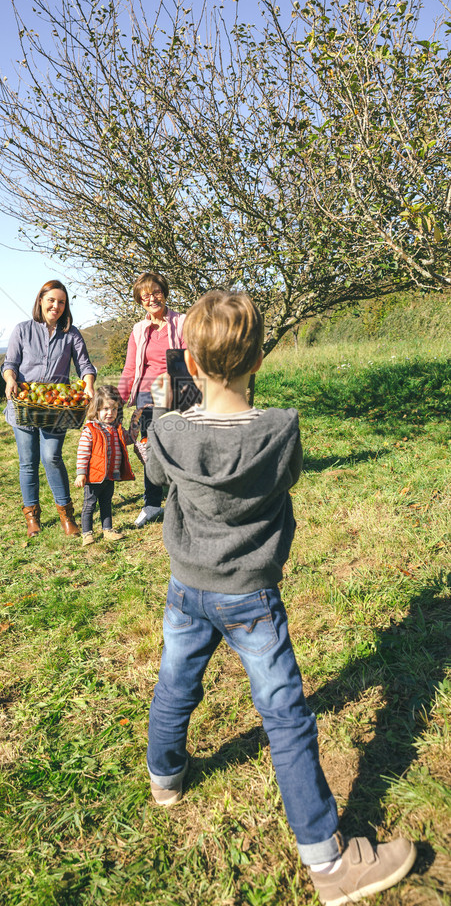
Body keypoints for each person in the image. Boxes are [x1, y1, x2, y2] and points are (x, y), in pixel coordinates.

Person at [144, 290, 417, 905]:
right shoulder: (280, 430)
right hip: (252, 598)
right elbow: (286, 478)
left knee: (175, 683)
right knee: (285, 717)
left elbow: (158, 480)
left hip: (186, 588)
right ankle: (329, 864)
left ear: (189, 361)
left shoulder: (167, 432)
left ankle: (165, 778)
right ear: (258, 358)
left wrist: (167, 419)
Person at [2, 280, 96, 538]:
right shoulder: (22, 330)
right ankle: (32, 517)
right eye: (51, 300)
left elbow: (85, 366)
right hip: (23, 405)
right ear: (41, 301)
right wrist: (11, 380)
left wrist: (88, 386)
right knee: (28, 463)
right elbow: (9, 363)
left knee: (52, 457)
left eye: (61, 302)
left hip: (56, 407)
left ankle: (67, 515)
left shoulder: (71, 334)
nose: (56, 306)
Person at [118, 271, 186, 528]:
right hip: (146, 397)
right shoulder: (138, 330)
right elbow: (129, 370)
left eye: (156, 292)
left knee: (178, 448)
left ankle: (183, 501)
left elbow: (192, 361)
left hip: (176, 393)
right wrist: (119, 401)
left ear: (165, 293)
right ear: (140, 301)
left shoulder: (182, 323)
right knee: (149, 451)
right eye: (145, 296)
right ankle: (152, 505)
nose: (152, 298)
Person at [74, 385, 136, 546]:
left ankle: (107, 529)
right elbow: (83, 452)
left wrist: (136, 425)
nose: (110, 413)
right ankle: (87, 533)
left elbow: (127, 440)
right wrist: (81, 473)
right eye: (106, 409)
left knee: (106, 503)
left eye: (114, 409)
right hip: (94, 477)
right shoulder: (90, 430)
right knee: (89, 504)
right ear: (97, 409)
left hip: (110, 474)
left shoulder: (116, 428)